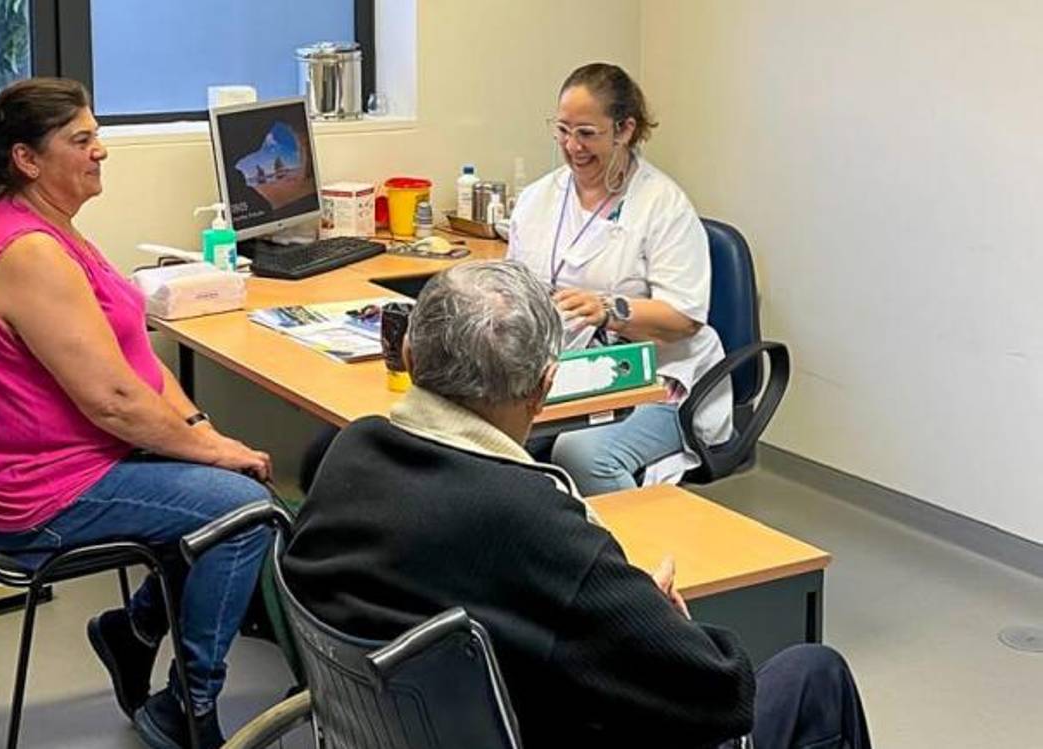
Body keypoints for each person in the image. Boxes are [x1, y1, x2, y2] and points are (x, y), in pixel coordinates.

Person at [283, 260, 871, 748]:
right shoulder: (536, 525)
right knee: (814, 676)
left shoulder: (345, 452)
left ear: (409, 357)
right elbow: (719, 692)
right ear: (545, 385)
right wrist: (661, 617)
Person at [0, 77, 270, 749]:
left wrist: (202, 431)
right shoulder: (29, 253)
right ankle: (185, 705)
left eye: (98, 136)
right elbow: (114, 401)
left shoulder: (52, 229)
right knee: (245, 512)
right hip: (44, 495)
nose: (101, 152)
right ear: (27, 160)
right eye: (81, 140)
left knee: (226, 487)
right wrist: (216, 454)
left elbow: (135, 364)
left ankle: (133, 630)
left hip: (76, 460)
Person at [508, 62, 733, 495]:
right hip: (568, 370)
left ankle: (629, 561)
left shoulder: (662, 206)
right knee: (486, 435)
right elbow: (515, 285)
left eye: (587, 133)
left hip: (659, 378)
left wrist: (607, 310)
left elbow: (684, 317)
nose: (572, 147)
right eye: (562, 131)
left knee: (583, 454)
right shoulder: (540, 198)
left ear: (625, 129)